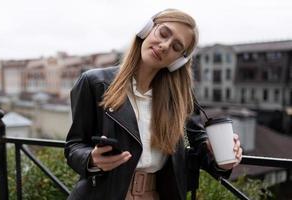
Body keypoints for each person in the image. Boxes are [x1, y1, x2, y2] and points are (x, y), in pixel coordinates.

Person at [64, 8, 242, 200]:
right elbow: (74, 146)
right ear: (147, 29)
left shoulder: (179, 100)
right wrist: (92, 159)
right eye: (163, 33)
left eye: (176, 47)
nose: (165, 46)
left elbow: (201, 148)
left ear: (178, 62)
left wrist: (224, 158)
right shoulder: (95, 83)